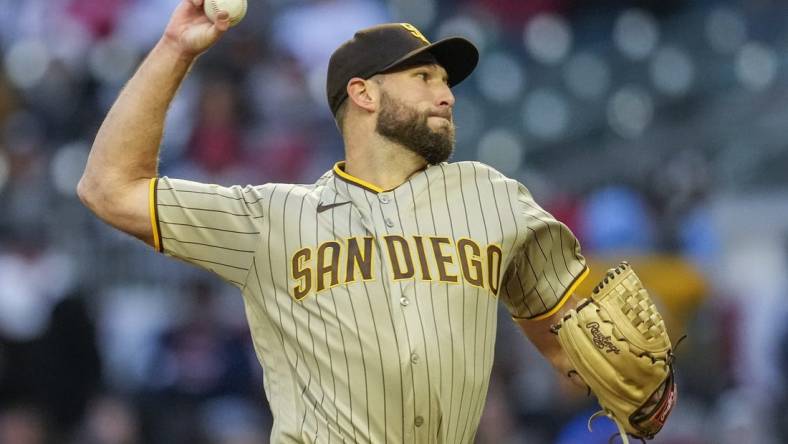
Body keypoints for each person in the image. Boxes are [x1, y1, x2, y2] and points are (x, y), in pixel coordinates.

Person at [78, 1, 590, 442]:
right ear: (364, 94)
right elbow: (108, 188)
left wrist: (629, 387)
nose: (447, 95)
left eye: (445, 81)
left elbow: (565, 331)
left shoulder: (491, 197)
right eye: (424, 77)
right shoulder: (273, 216)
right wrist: (176, 46)